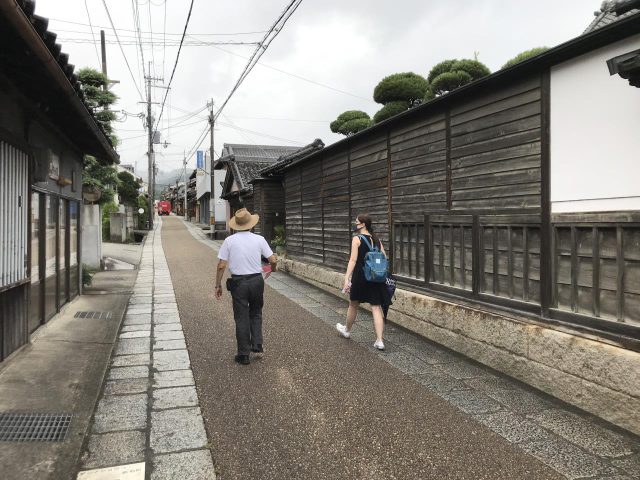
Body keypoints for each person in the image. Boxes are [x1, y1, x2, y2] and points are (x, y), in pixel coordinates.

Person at [215, 208, 278, 365]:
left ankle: (243, 354)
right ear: (250, 224)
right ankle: (257, 344)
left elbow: (222, 265)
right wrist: (273, 269)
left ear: (236, 225)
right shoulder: (259, 239)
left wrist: (218, 285)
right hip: (257, 281)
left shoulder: (229, 241)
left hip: (239, 283)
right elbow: (273, 260)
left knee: (241, 317)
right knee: (256, 312)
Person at [336, 213, 388, 350]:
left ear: (363, 224)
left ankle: (347, 330)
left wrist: (346, 277)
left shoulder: (357, 239)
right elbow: (384, 258)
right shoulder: (377, 240)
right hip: (376, 278)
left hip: (360, 276)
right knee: (376, 307)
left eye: (357, 222)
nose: (355, 224)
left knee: (353, 304)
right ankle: (379, 340)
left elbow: (353, 260)